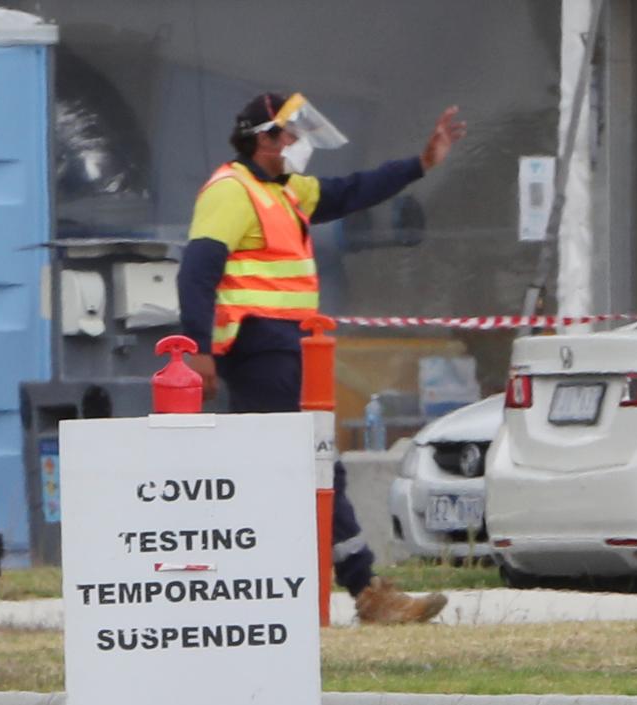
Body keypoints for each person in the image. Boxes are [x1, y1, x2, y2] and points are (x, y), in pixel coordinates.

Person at [178, 92, 466, 624]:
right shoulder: (231, 192)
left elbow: (353, 191)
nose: (297, 145)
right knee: (315, 466)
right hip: (259, 348)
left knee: (285, 470)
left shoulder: (287, 191)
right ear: (263, 138)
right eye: (289, 135)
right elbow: (196, 272)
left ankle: (263, 584)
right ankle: (365, 590)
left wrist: (421, 164)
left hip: (288, 349)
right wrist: (196, 351)